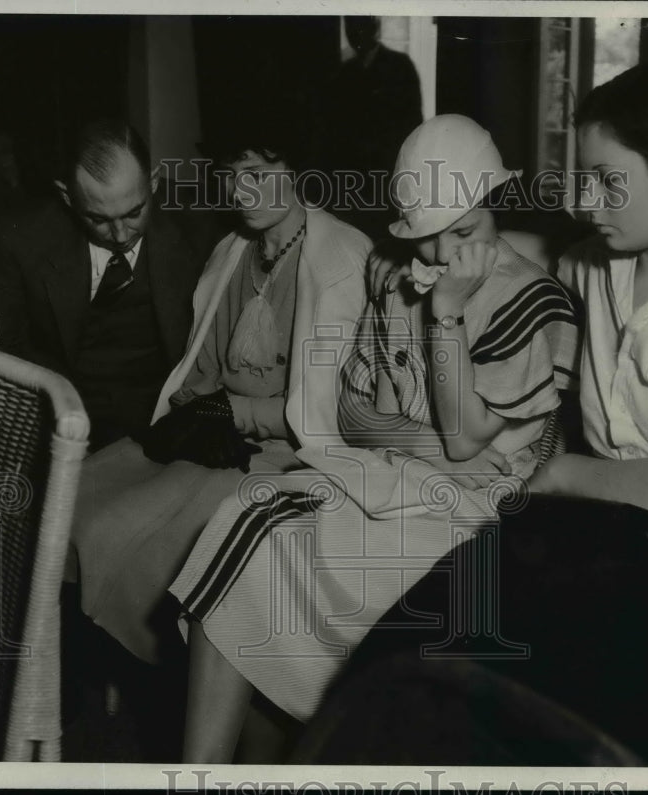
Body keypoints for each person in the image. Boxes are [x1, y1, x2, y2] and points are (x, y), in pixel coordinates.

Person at [316, 62, 648, 767]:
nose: (586, 200)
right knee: (415, 644)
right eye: (582, 177)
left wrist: (560, 472)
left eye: (607, 180)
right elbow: (496, 249)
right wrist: (439, 253)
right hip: (607, 522)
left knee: (551, 704)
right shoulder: (599, 263)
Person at [168, 114, 582, 762]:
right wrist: (420, 443)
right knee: (243, 520)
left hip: (479, 513)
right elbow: (354, 411)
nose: (445, 256)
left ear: (493, 202)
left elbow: (468, 443)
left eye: (464, 232)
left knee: (256, 531)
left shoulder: (531, 300)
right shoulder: (391, 273)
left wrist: (445, 314)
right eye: (428, 239)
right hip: (393, 474)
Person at [65, 113, 371, 738]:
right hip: (216, 437)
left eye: (257, 175)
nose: (240, 193)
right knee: (78, 500)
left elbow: (337, 406)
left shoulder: (343, 256)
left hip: (292, 458)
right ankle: (97, 685)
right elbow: (200, 368)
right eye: (231, 177)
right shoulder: (233, 251)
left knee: (139, 529)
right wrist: (195, 413)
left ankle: (159, 696)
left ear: (297, 172)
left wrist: (245, 414)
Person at [0, 118, 205, 451]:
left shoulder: (199, 223)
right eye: (98, 219)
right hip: (62, 420)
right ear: (67, 198)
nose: (120, 235)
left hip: (167, 419)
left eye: (134, 213)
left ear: (153, 181)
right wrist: (61, 404)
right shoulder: (24, 238)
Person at [325, 16, 423, 239]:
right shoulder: (344, 74)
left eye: (362, 26)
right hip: (352, 181)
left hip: (388, 176)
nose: (356, 33)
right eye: (351, 27)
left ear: (375, 28)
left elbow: (412, 123)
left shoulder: (399, 67)